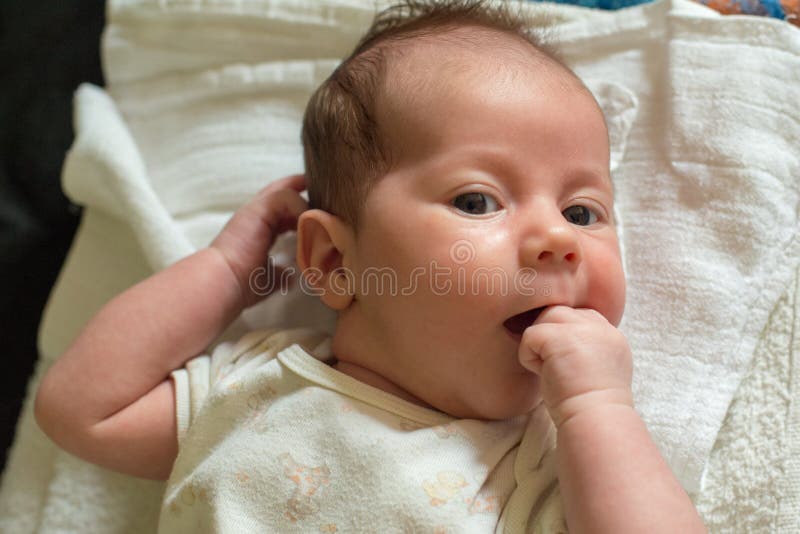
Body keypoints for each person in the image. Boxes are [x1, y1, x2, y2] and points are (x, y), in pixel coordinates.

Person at [34, 0, 707, 531]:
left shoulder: (547, 462)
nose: (558, 239)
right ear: (332, 259)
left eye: (584, 212)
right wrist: (229, 272)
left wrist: (599, 406)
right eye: (478, 200)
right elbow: (79, 410)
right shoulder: (256, 390)